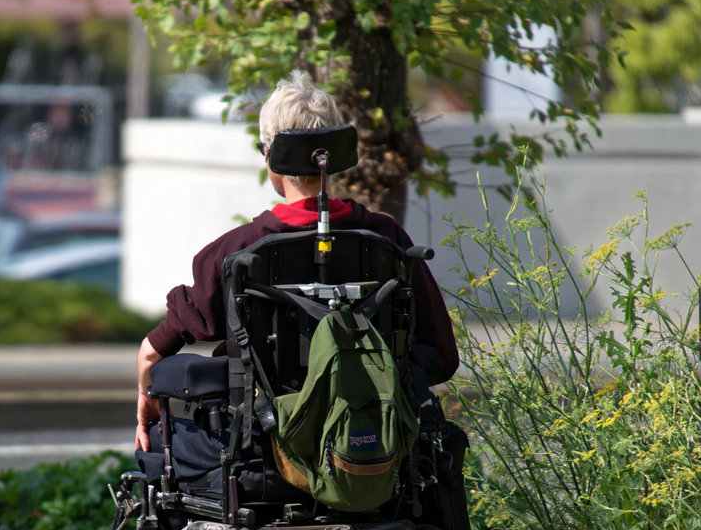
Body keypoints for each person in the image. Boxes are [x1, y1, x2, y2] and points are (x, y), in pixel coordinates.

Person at [134, 70, 459, 453]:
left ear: (271, 154)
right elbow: (443, 357)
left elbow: (151, 353)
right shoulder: (387, 241)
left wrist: (146, 400)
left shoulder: (238, 250)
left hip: (262, 449)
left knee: (159, 445)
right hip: (375, 446)